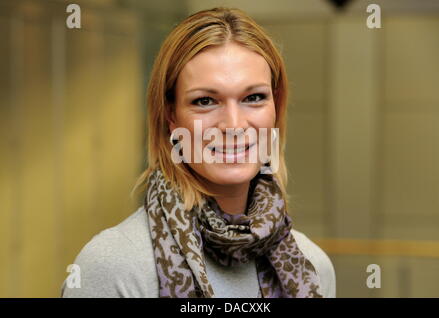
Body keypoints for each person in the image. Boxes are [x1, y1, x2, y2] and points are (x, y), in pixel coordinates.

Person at [61, 7, 336, 298]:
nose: (233, 125)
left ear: (276, 109)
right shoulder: (115, 266)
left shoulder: (313, 267)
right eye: (205, 101)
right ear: (171, 116)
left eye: (253, 98)